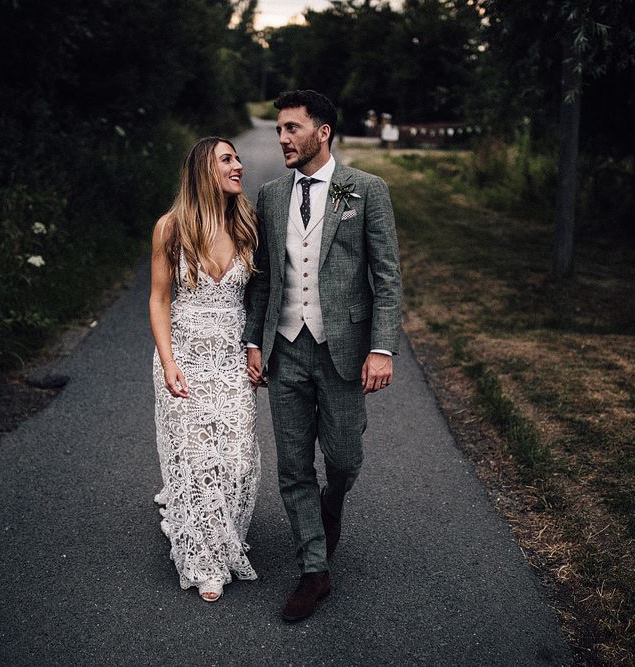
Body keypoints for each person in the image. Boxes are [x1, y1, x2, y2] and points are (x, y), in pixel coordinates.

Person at [244, 90, 402, 621]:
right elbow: (262, 278)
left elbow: (386, 278)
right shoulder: (268, 196)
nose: (282, 138)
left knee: (344, 459)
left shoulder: (366, 191)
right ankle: (314, 570)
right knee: (293, 467)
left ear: (323, 131)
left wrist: (381, 349)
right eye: (279, 130)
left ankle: (331, 504)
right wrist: (253, 342)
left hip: (343, 351)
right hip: (285, 351)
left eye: (291, 128)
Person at [149, 137, 260, 602]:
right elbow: (158, 299)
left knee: (235, 460)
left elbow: (260, 295)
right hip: (185, 360)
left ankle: (213, 530)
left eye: (237, 158)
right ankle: (205, 560)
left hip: (232, 361)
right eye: (227, 160)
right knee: (197, 461)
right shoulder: (170, 228)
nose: (239, 165)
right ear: (203, 171)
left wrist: (257, 349)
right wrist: (170, 362)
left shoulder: (247, 224)